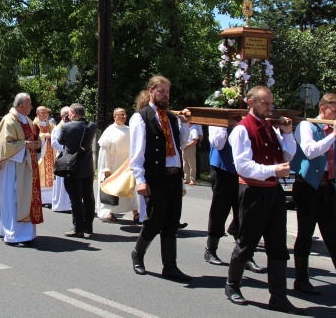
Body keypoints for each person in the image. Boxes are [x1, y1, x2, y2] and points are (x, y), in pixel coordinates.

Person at [225, 85, 303, 314]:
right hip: (253, 191)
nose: (270, 107)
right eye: (265, 103)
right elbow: (242, 166)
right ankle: (232, 285)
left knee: (278, 245)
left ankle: (278, 296)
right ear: (251, 102)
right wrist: (273, 170)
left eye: (271, 103)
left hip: (274, 191)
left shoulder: (272, 128)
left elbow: (288, 155)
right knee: (247, 242)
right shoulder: (242, 129)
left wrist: (288, 133)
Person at [290, 93, 336, 301]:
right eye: (334, 111)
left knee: (335, 237)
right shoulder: (307, 126)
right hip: (307, 187)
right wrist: (333, 135)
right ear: (323, 109)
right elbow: (310, 151)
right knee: (305, 234)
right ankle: (301, 279)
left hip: (327, 188)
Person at [130, 75, 191, 282]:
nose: (165, 95)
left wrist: (185, 124)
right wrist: (140, 179)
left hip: (174, 176)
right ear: (151, 91)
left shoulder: (172, 117)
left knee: (172, 222)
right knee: (154, 220)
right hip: (155, 176)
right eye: (161, 91)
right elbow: (137, 152)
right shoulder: (141, 117)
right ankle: (138, 253)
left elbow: (180, 144)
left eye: (167, 91)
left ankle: (170, 266)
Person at [0, 93, 43, 245]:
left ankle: (27, 234)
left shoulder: (28, 120)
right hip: (12, 167)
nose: (32, 107)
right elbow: (5, 145)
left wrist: (37, 144)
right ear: (21, 105)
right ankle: (12, 234)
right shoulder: (8, 120)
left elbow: (33, 139)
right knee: (13, 199)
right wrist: (25, 145)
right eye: (29, 104)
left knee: (26, 198)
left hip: (26, 166)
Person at [204, 125, 265, 273]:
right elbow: (217, 143)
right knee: (220, 209)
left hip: (244, 169)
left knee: (245, 211)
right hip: (223, 169)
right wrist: (226, 124)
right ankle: (211, 249)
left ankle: (246, 255)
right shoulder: (218, 115)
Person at [55, 103, 97, 238]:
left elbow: (61, 141)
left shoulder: (66, 126)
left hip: (72, 167)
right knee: (88, 197)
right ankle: (88, 226)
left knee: (76, 199)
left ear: (72, 113)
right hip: (88, 167)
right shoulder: (92, 125)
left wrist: (66, 124)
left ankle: (78, 228)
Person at [97, 107, 139, 222]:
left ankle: (135, 211)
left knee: (129, 188)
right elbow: (105, 151)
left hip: (126, 165)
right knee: (113, 189)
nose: (123, 116)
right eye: (120, 114)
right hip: (114, 164)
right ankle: (109, 212)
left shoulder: (129, 130)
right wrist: (106, 168)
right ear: (114, 116)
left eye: (125, 114)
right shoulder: (110, 130)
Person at [50, 107, 72, 212]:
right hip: (62, 156)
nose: (67, 116)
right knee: (61, 181)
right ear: (61, 116)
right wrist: (66, 149)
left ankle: (69, 204)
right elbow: (54, 143)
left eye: (69, 114)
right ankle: (61, 205)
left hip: (72, 157)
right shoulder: (58, 128)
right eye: (65, 114)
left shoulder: (73, 125)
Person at [33, 106, 56, 206]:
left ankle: (50, 199)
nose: (44, 114)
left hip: (50, 152)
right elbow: (33, 136)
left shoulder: (50, 124)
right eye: (42, 112)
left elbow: (56, 133)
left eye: (46, 112)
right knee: (41, 174)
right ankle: (41, 199)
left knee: (50, 174)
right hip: (40, 153)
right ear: (37, 113)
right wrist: (43, 136)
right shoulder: (34, 124)